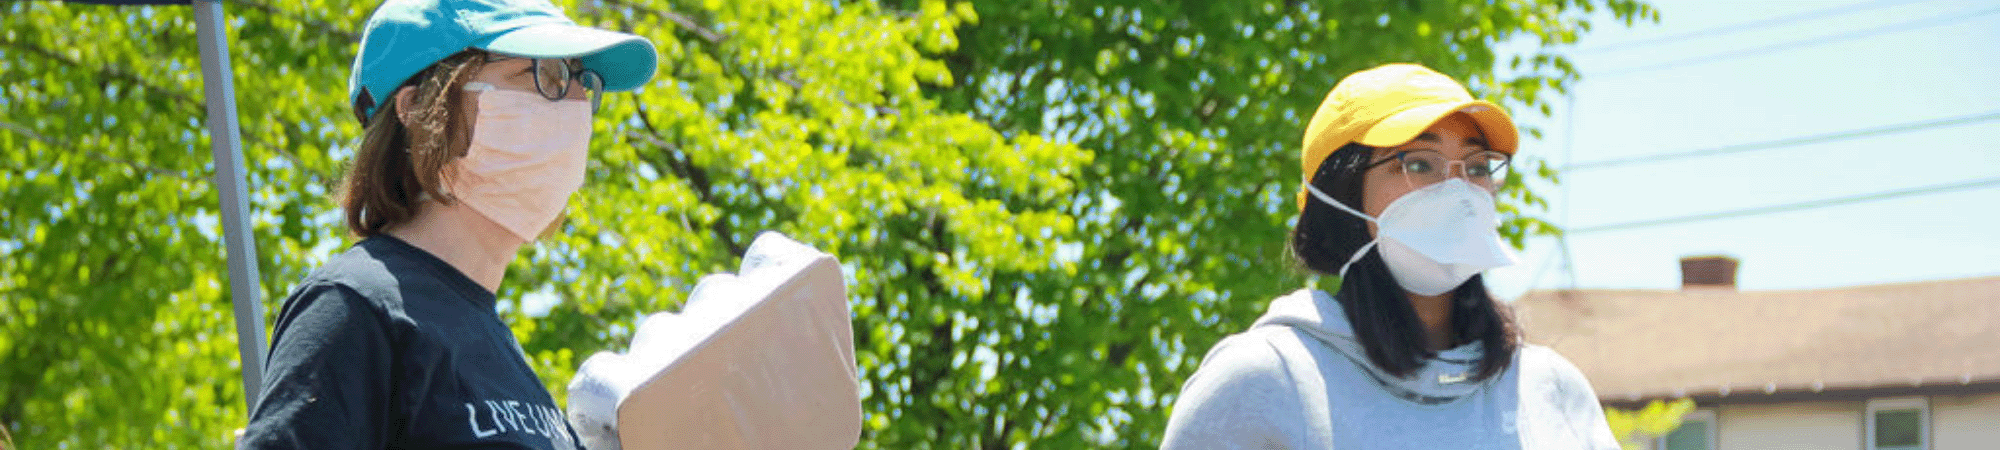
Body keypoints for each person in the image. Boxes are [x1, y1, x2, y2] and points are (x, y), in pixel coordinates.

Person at [238, 0, 655, 448]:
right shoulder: (354, 307)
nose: (577, 103)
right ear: (419, 108)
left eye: (581, 79)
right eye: (547, 74)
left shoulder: (502, 353)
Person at [1158, 63, 1616, 449]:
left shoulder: (1551, 386)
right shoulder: (1264, 380)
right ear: (1339, 197)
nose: (1458, 190)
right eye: (1418, 163)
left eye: (1477, 167)